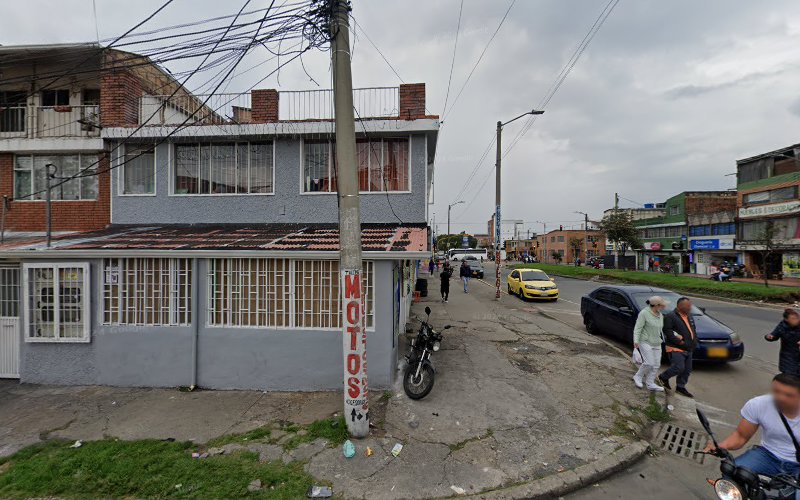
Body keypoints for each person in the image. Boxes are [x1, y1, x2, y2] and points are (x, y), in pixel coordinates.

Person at [704, 373, 800, 484]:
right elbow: (740, 436)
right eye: (776, 392)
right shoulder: (759, 404)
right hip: (767, 455)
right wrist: (720, 446)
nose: (780, 398)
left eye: (788, 395)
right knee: (731, 473)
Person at [658, 297, 697, 398]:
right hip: (676, 347)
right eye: (687, 306)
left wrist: (694, 342)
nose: (690, 307)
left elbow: (692, 330)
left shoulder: (689, 316)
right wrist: (681, 342)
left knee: (687, 370)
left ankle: (680, 386)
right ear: (680, 306)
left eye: (690, 305)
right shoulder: (671, 316)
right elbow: (668, 332)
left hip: (688, 348)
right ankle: (662, 377)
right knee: (678, 367)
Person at [633, 295, 667, 392]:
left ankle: (650, 383)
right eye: (662, 305)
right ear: (656, 305)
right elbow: (638, 328)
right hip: (645, 341)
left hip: (657, 342)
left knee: (656, 364)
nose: (664, 307)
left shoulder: (660, 315)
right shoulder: (644, 313)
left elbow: (661, 329)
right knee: (649, 363)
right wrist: (636, 341)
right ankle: (637, 377)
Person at [765, 309, 800, 377]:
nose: (796, 320)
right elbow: (774, 335)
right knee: (789, 376)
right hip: (788, 356)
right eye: (793, 318)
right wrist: (769, 337)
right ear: (786, 320)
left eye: (797, 318)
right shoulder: (782, 326)